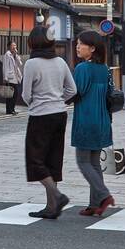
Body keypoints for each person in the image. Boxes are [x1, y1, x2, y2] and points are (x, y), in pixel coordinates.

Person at [21, 25, 77, 219]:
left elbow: (26, 94)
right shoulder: (60, 62)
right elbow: (72, 90)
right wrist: (59, 101)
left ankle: (57, 197)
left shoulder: (32, 63)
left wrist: (35, 103)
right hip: (60, 114)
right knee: (53, 159)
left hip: (40, 116)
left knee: (36, 160)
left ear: (33, 42)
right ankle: (51, 207)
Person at [71, 31, 115, 217]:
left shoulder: (82, 68)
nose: (77, 47)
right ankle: (95, 204)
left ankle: (104, 196)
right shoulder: (104, 69)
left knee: (83, 161)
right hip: (103, 119)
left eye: (81, 44)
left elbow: (75, 92)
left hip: (86, 119)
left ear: (92, 48)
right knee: (95, 163)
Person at [1, 40, 25, 115]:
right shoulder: (7, 55)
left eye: (15, 45)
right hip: (10, 78)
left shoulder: (15, 55)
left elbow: (20, 64)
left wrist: (16, 55)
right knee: (10, 95)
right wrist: (5, 78)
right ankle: (9, 110)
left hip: (15, 77)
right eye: (13, 45)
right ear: (9, 47)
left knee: (15, 94)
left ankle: (12, 109)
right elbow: (5, 66)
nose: (14, 47)